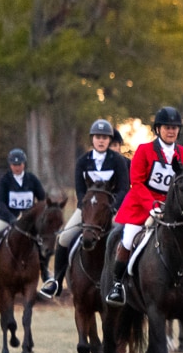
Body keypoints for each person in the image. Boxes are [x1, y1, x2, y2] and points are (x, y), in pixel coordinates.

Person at [105, 107, 183, 305]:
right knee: (128, 238)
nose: (171, 131)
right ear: (158, 129)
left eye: (174, 128)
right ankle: (117, 285)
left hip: (175, 208)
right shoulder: (144, 150)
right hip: (143, 204)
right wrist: (151, 205)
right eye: (167, 127)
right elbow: (136, 183)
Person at [54, 119, 131, 289]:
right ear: (92, 139)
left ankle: (126, 282)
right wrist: (86, 208)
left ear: (109, 140)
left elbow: (123, 188)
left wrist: (113, 208)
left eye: (105, 137)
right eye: (98, 137)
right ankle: (56, 281)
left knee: (125, 239)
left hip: (114, 209)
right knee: (64, 238)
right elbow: (80, 190)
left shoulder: (118, 161)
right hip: (88, 209)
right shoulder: (83, 161)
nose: (101, 140)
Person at [0, 148, 49, 292]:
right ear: (10, 165)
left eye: (19, 164)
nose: (17, 167)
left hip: (28, 221)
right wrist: (11, 218)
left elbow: (42, 198)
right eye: (14, 165)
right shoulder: (4, 181)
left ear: (24, 164)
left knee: (44, 240)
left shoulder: (32, 179)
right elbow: (0, 202)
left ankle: (45, 271)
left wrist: (37, 214)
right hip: (6, 218)